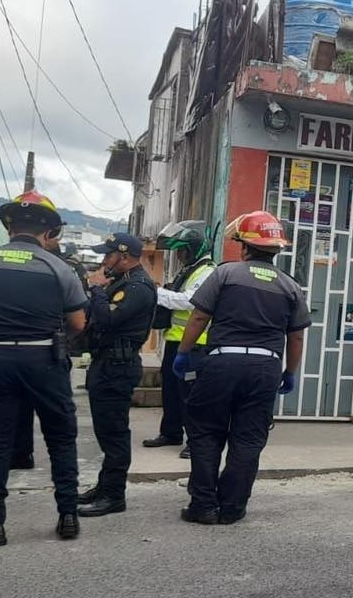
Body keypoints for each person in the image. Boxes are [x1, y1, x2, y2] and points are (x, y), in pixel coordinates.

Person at [0, 190, 88, 546]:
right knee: (61, 438)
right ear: (49, 232)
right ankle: (68, 515)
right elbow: (77, 323)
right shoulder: (60, 268)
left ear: (9, 225)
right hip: (44, 359)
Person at [173, 210, 309, 525]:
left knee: (206, 432)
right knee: (248, 439)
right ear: (276, 248)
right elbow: (297, 335)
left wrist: (183, 352)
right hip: (266, 369)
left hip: (222, 362)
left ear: (244, 245)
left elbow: (198, 317)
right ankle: (232, 508)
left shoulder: (224, 274)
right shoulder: (290, 287)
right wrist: (290, 372)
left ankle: (203, 506)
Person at [77, 233, 157, 517]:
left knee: (115, 435)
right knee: (106, 433)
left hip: (117, 367)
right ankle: (104, 487)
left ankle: (113, 496)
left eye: (108, 255)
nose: (103, 261)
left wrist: (97, 290)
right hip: (107, 364)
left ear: (124, 257)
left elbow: (108, 319)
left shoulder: (138, 286)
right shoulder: (123, 282)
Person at [10, 225, 90, 471]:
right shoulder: (63, 268)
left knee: (32, 406)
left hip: (30, 344)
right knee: (54, 412)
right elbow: (78, 317)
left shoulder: (63, 267)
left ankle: (22, 454)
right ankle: (40, 458)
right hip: (50, 345)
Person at [144, 220, 216, 459]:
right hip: (176, 342)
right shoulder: (189, 270)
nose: (180, 254)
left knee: (190, 395)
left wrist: (157, 293)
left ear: (194, 248)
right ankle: (171, 432)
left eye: (183, 250)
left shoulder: (207, 272)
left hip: (196, 345)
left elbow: (188, 301)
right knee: (171, 391)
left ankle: (195, 441)